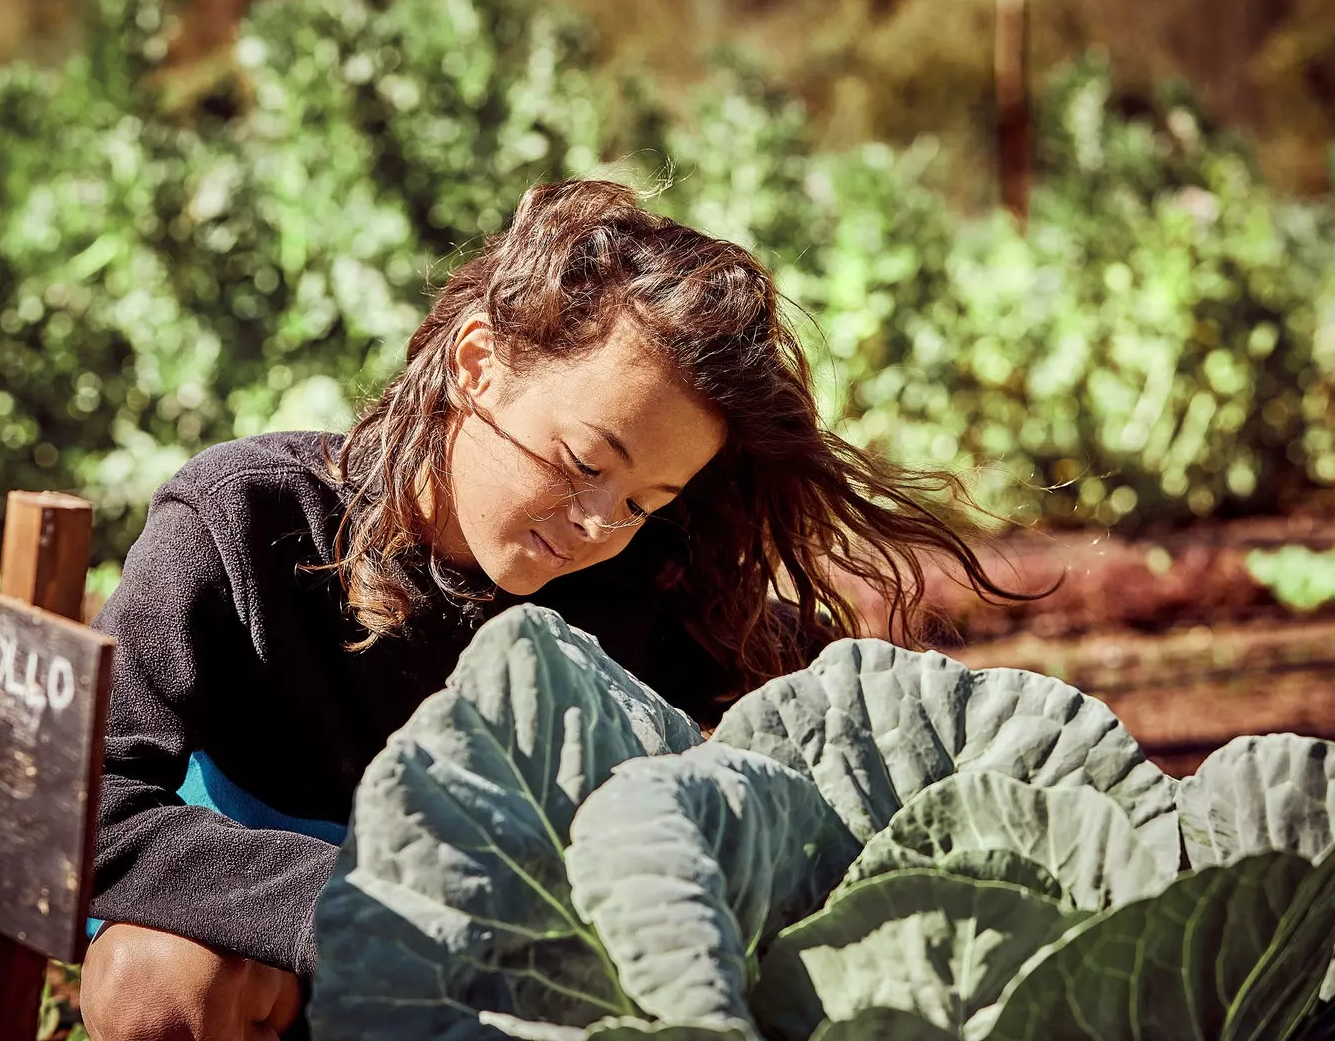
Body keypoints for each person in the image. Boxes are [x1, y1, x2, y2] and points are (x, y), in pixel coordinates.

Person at [78, 179, 1036, 1041]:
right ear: (478, 363)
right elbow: (95, 807)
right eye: (584, 463)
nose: (596, 525)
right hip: (279, 958)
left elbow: (843, 711)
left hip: (502, 988)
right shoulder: (244, 519)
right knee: (157, 975)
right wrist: (363, 902)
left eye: (642, 502)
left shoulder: (640, 584)